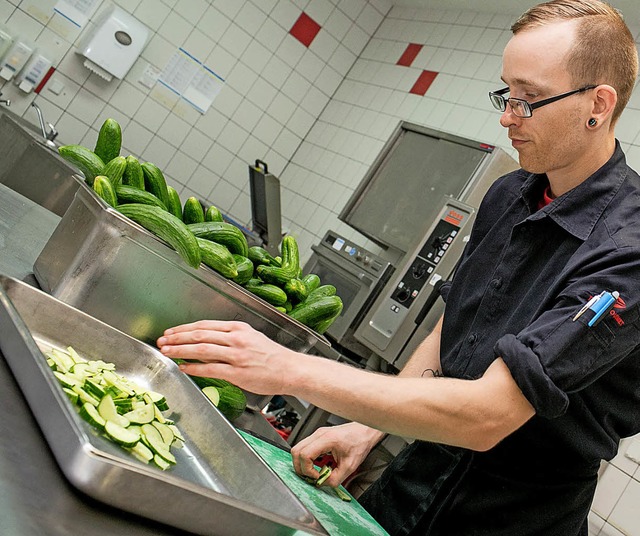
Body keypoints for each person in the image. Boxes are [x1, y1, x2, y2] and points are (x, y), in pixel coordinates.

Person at [157, 1, 640, 534]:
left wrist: (288, 367)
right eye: (507, 93)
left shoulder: (628, 250)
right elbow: (453, 324)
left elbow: (487, 415)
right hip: (414, 477)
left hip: (511, 517)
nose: (507, 116)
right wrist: (367, 428)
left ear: (598, 103)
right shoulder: (510, 194)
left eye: (528, 99)